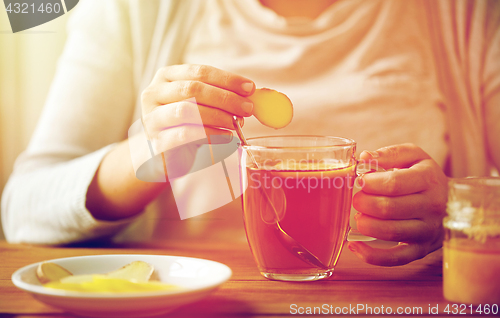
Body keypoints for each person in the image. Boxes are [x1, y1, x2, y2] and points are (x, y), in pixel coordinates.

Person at [2, 0, 499, 267]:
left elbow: (474, 211)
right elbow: (22, 211)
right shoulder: (134, 8)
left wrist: (460, 211)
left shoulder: (466, 13)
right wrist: (149, 155)